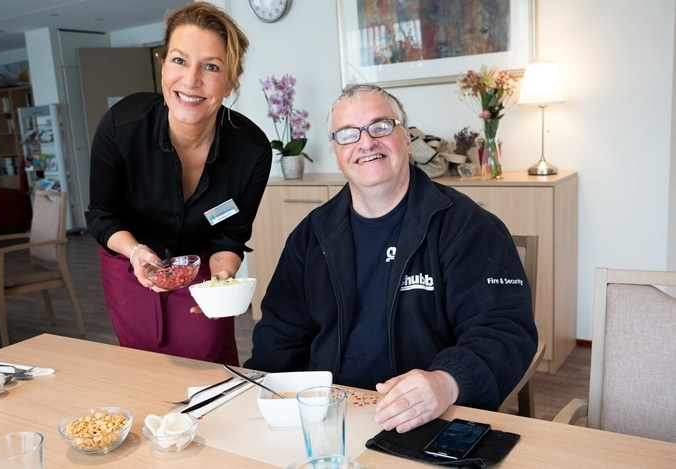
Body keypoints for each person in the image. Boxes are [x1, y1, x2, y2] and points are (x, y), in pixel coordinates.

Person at [245, 84, 537, 433]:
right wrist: (263, 397)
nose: (366, 143)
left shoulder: (468, 227)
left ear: (407, 139)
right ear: (338, 154)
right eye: (348, 134)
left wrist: (447, 382)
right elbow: (280, 333)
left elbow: (504, 331)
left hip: (428, 417)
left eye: (381, 126)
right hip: (326, 414)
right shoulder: (311, 236)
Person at [86, 2, 272, 366]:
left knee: (209, 366)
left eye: (212, 67)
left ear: (232, 78)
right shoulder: (121, 127)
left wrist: (222, 278)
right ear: (163, 64)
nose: (190, 81)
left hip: (201, 268)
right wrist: (137, 253)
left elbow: (230, 235)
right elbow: (102, 216)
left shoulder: (252, 150)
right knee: (142, 368)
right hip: (129, 263)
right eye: (179, 60)